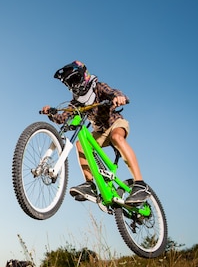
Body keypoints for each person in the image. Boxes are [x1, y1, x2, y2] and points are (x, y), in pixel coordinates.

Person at [41, 60, 150, 205]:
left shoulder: (97, 87)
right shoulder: (76, 102)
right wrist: (51, 113)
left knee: (117, 137)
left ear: (84, 76)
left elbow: (112, 92)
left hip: (115, 123)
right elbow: (64, 118)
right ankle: (90, 185)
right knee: (80, 144)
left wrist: (118, 97)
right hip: (100, 132)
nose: (74, 85)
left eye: (75, 79)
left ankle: (140, 184)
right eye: (70, 82)